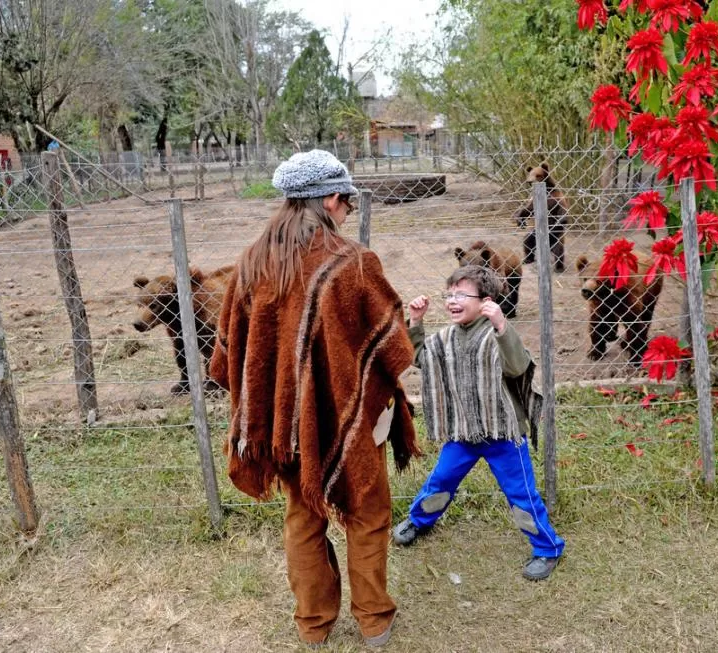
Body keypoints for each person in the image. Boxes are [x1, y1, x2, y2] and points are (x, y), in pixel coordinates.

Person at [210, 149, 420, 648]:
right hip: (349, 418)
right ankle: (374, 620)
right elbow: (388, 346)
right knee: (368, 512)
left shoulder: (250, 263)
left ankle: (313, 625)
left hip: (280, 427)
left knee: (303, 515)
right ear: (329, 199)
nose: (347, 211)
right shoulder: (353, 262)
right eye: (346, 201)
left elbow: (229, 353)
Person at [392, 265, 565, 580]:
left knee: (521, 493)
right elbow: (420, 357)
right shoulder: (446, 338)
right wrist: (415, 322)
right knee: (441, 480)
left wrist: (501, 324)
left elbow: (517, 367)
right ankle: (419, 521)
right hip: (463, 435)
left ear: (486, 301)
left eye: (461, 294)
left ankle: (547, 548)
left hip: (503, 435)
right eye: (450, 294)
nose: (452, 300)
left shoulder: (497, 335)